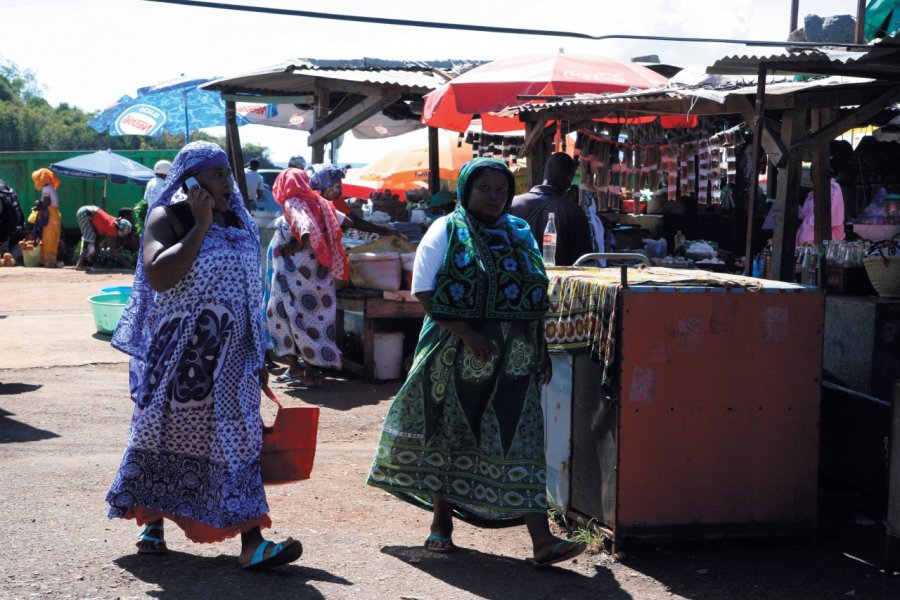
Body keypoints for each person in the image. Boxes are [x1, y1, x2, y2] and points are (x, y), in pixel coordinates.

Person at [366, 157, 586, 567]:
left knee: (522, 437)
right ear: (466, 190)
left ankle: (541, 541)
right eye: (484, 188)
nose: (493, 197)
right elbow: (424, 290)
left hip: (516, 358)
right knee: (450, 433)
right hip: (456, 351)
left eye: (500, 190)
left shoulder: (520, 232)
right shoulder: (447, 229)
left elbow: (535, 294)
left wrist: (540, 350)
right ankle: (441, 525)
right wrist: (466, 332)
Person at [106, 141, 303, 570]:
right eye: (216, 175)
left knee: (240, 445)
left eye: (228, 175)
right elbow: (159, 275)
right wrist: (199, 223)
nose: (227, 184)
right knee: (161, 437)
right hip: (181, 360)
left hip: (235, 362)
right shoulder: (169, 217)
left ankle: (253, 543)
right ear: (189, 180)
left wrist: (261, 354)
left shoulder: (241, 222)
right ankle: (152, 522)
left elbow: (254, 294)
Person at [265, 168, 350, 387]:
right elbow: (347, 222)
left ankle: (299, 371)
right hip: (319, 275)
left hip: (295, 277)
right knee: (313, 322)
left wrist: (296, 245)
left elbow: (305, 229)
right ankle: (306, 372)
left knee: (283, 317)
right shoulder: (319, 201)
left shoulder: (294, 202)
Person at [510, 152, 593, 266]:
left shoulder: (512, 204)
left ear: (543, 170)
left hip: (518, 280)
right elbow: (584, 261)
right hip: (557, 281)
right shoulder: (573, 211)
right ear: (570, 178)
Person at [308, 164, 403, 238]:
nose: (341, 190)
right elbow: (353, 222)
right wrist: (386, 231)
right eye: (338, 186)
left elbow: (352, 221)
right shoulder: (307, 206)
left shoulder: (334, 202)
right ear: (326, 188)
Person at [74, 205, 133, 270]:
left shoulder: (115, 223)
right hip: (84, 213)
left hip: (91, 211)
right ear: (119, 229)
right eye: (124, 233)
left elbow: (100, 239)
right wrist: (126, 263)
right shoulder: (111, 229)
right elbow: (113, 251)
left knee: (97, 240)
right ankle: (80, 264)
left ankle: (95, 263)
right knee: (89, 239)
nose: (124, 235)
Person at [796, 172, 846, 245]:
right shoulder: (815, 191)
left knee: (822, 253)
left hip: (822, 239)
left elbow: (828, 216)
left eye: (812, 172)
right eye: (810, 173)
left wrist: (811, 221)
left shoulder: (832, 189)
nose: (811, 176)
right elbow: (804, 215)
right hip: (806, 241)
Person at [31, 168, 63, 268]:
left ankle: (49, 262)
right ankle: (52, 261)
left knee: (48, 239)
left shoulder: (46, 188)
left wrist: (38, 207)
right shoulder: (50, 188)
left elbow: (46, 203)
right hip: (55, 215)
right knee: (53, 239)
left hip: (50, 216)